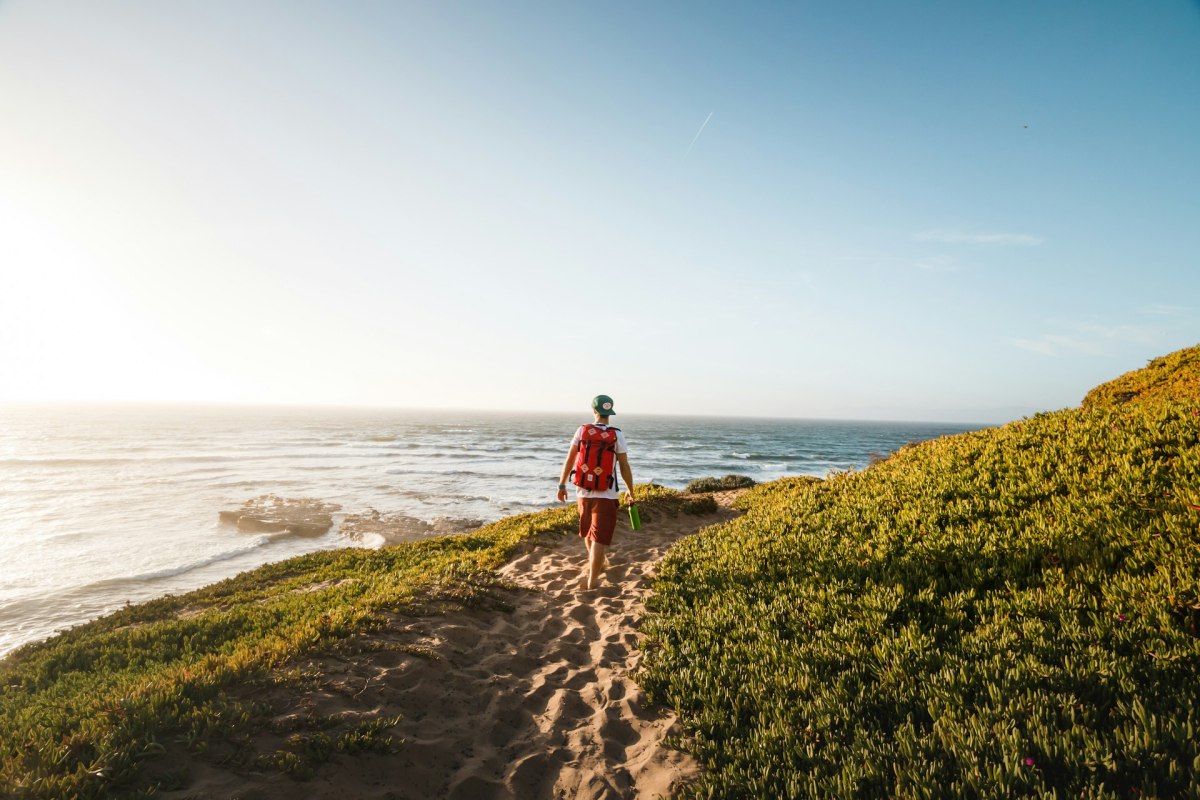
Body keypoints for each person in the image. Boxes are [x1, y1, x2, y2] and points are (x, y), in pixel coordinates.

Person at [556, 394, 636, 590]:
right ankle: (593, 581)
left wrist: (562, 485)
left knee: (588, 534)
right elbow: (624, 466)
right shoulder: (617, 434)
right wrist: (630, 490)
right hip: (607, 494)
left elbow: (570, 459)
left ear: (594, 411)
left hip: (582, 491)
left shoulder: (582, 430)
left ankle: (597, 564)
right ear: (610, 413)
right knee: (599, 538)